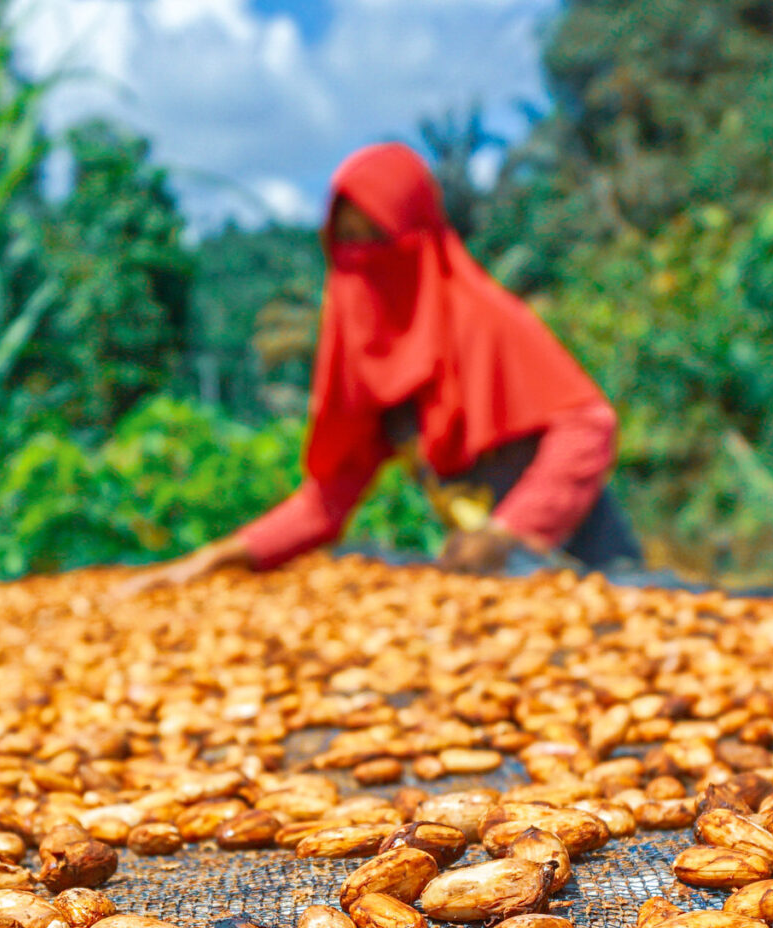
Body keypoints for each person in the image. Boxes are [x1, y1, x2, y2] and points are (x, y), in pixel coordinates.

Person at [130, 141, 635, 591]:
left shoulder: (484, 319)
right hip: (502, 589)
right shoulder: (372, 365)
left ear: (419, 236)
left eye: (379, 239)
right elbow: (327, 499)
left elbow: (587, 424)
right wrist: (213, 560)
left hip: (592, 573)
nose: (364, 263)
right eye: (348, 242)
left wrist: (509, 533)